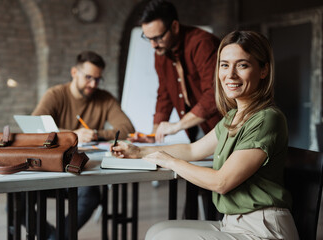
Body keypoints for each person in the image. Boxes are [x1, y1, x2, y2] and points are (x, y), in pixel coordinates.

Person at [112, 30, 299, 239]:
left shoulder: (266, 119)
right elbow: (193, 149)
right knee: (157, 231)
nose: (230, 75)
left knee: (164, 238)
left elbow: (221, 182)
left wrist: (171, 162)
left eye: (243, 65)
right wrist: (139, 151)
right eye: (225, 65)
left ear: (263, 70)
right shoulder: (232, 117)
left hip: (264, 229)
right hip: (232, 222)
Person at [31, 51, 135, 239]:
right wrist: (72, 135)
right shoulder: (55, 94)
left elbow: (127, 128)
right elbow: (34, 128)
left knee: (90, 196)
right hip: (49, 168)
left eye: (98, 79)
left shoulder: (104, 98)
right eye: (88, 78)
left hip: (82, 167)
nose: (93, 84)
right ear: (74, 73)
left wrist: (96, 133)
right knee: (16, 203)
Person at [133, 0, 221, 143]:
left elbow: (214, 93)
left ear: (174, 27)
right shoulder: (161, 52)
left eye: (158, 38)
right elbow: (164, 95)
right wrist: (154, 134)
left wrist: (177, 126)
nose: (153, 45)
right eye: (148, 38)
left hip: (222, 127)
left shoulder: (202, 44)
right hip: (197, 130)